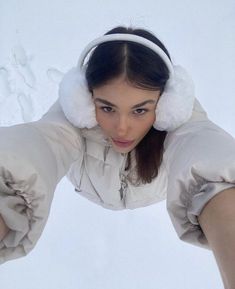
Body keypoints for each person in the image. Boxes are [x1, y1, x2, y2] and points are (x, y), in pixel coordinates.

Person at [0, 25, 235, 288]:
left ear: (169, 103)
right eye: (107, 107)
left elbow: (210, 163)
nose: (122, 128)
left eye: (140, 110)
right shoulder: (72, 117)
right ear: (84, 100)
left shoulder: (181, 120)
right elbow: (38, 147)